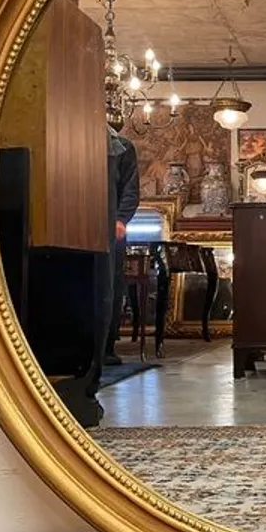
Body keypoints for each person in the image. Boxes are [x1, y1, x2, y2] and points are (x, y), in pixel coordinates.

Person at [104, 125, 140, 366]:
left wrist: (120, 219)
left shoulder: (123, 147)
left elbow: (130, 188)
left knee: (111, 285)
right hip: (76, 224)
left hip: (111, 227)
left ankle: (107, 345)